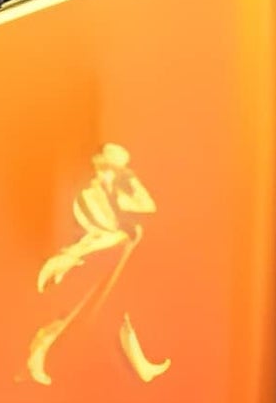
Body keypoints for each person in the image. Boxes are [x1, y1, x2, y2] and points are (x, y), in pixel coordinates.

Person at [27, 142, 171, 387]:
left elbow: (148, 206)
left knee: (120, 309)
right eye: (106, 169)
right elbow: (83, 233)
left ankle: (141, 366)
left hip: (113, 257)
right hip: (90, 257)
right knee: (70, 309)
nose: (108, 175)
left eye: (115, 171)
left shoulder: (118, 196)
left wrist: (130, 181)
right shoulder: (87, 196)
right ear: (98, 169)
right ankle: (38, 353)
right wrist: (69, 258)